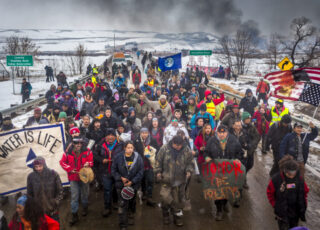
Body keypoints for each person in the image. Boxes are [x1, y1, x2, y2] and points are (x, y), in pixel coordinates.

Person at [204, 125, 244, 221]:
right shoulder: (212, 141)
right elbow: (206, 152)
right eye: (220, 132)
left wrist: (238, 160)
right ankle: (219, 210)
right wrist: (207, 157)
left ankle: (224, 202)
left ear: (227, 133)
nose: (222, 134)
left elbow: (240, 153)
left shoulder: (233, 140)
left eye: (224, 132)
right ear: (217, 132)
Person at [154, 135, 194, 226]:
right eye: (176, 145)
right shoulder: (164, 149)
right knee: (165, 198)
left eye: (180, 145)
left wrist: (189, 171)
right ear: (172, 143)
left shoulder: (186, 149)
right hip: (166, 179)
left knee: (179, 201)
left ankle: (178, 217)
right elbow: (158, 161)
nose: (178, 147)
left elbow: (190, 162)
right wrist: (158, 172)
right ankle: (165, 215)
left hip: (180, 180)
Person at [59, 137, 93, 226]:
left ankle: (85, 208)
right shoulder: (67, 152)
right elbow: (62, 162)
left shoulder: (88, 151)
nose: (78, 145)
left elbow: (91, 161)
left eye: (80, 143)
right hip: (73, 178)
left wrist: (88, 164)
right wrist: (70, 169)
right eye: (76, 143)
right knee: (74, 197)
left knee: (85, 194)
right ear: (73, 144)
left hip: (84, 177)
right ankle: (74, 215)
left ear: (82, 143)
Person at [267, 159, 309, 230]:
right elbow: (270, 193)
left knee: (294, 227)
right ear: (284, 171)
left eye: (293, 173)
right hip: (282, 212)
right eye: (289, 174)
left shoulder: (300, 179)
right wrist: (275, 204)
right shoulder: (276, 179)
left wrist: (304, 204)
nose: (291, 176)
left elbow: (304, 191)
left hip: (295, 212)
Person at [112, 141, 144, 230]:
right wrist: (120, 178)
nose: (130, 150)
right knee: (122, 204)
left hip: (133, 186)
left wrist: (132, 181)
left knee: (132, 202)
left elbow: (141, 171)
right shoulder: (118, 157)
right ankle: (123, 224)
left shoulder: (138, 158)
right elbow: (113, 170)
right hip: (121, 185)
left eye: (131, 148)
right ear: (124, 148)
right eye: (128, 148)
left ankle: (131, 215)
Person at [95, 128, 124, 217]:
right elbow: (95, 155)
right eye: (108, 135)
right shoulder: (100, 145)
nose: (110, 137)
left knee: (116, 188)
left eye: (112, 135)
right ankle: (107, 207)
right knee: (107, 190)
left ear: (115, 136)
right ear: (105, 136)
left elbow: (125, 155)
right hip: (105, 171)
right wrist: (102, 159)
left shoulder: (120, 144)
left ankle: (115, 203)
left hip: (117, 172)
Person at [26, 157, 63, 222]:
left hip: (53, 210)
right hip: (39, 211)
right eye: (36, 167)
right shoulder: (31, 177)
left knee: (55, 227)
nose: (38, 168)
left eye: (40, 166)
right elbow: (29, 194)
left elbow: (60, 191)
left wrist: (56, 202)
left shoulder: (53, 174)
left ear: (44, 165)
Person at [133, 127, 158, 206]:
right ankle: (144, 193)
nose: (144, 134)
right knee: (142, 180)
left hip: (149, 164)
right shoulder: (136, 141)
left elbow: (157, 149)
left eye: (146, 133)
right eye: (142, 133)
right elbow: (134, 151)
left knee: (150, 180)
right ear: (140, 133)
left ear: (148, 133)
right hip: (140, 165)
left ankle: (149, 196)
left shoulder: (152, 140)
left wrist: (152, 153)